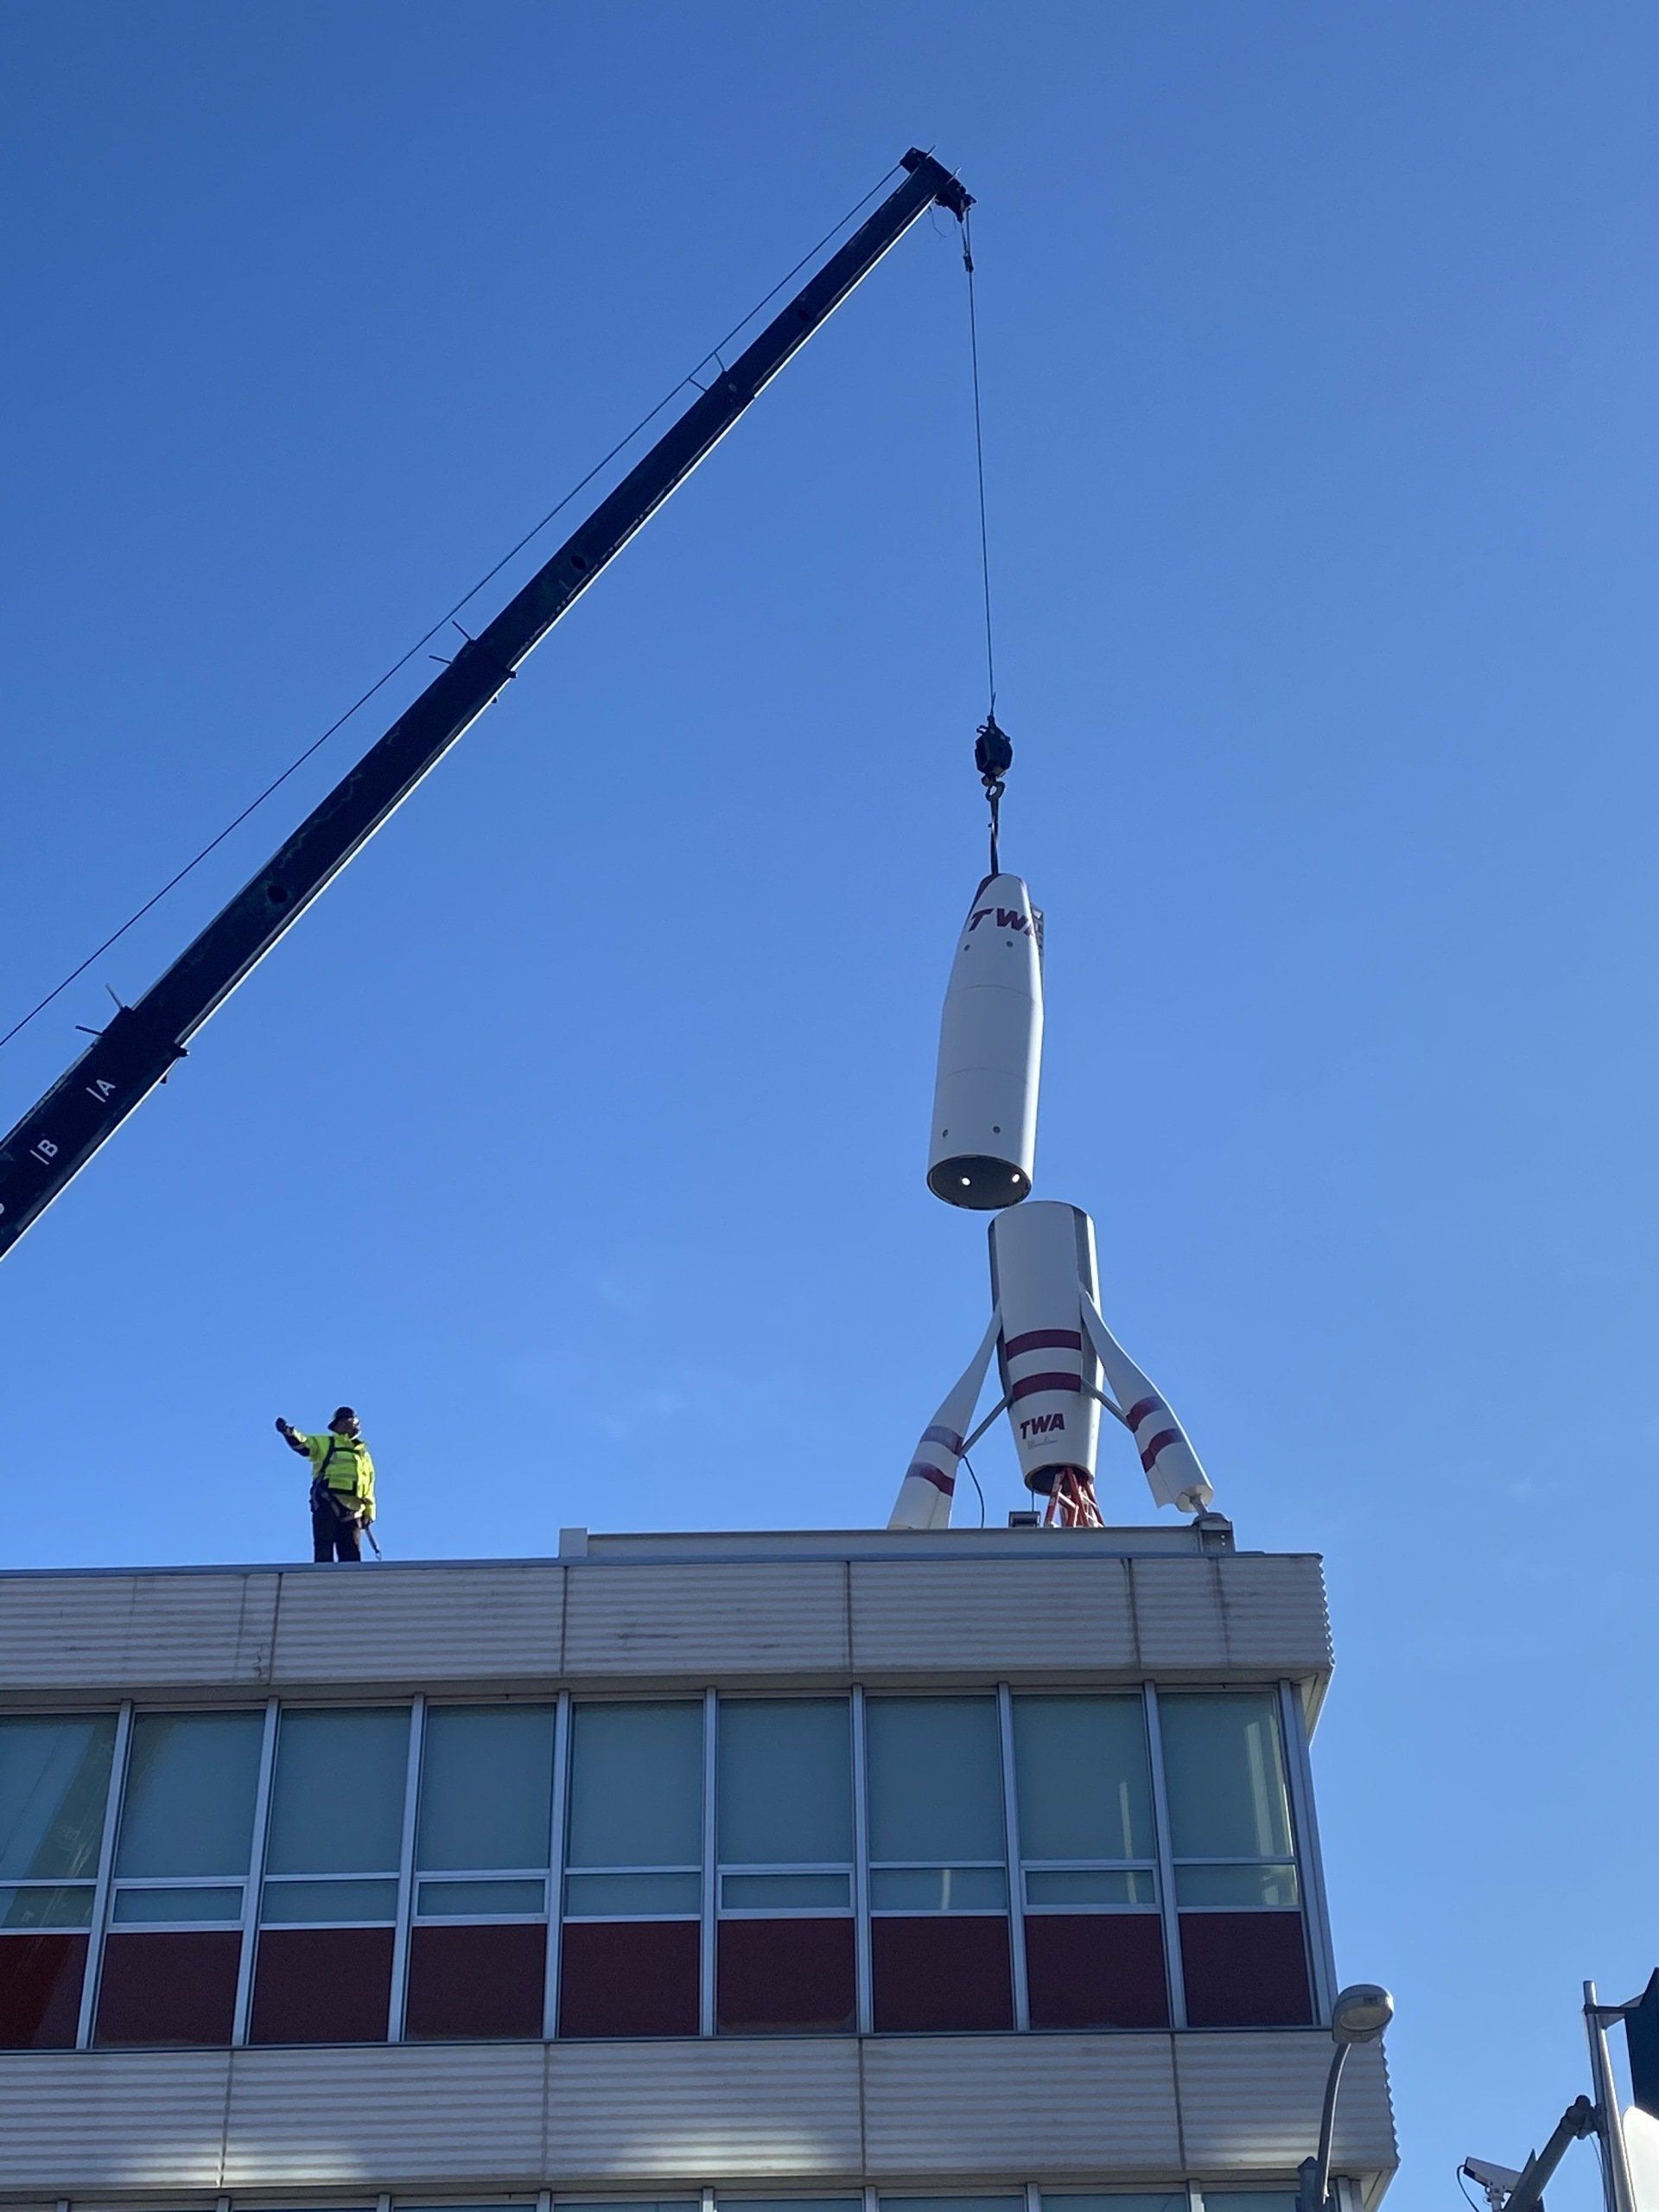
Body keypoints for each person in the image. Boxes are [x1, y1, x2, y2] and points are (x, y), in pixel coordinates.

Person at [276, 1406, 376, 1562]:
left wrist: (369, 1512)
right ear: (337, 1425)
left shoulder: (363, 1454)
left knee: (351, 1554)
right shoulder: (327, 1443)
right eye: (343, 1421)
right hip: (327, 1500)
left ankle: (349, 1578)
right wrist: (289, 1432)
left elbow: (369, 1485)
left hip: (354, 1509)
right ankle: (322, 1576)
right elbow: (305, 1444)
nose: (347, 1423)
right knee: (324, 1546)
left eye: (350, 1420)